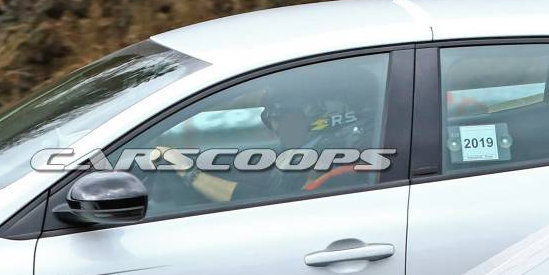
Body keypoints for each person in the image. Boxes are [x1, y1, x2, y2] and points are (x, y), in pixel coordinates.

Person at [154, 64, 384, 207]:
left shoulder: (336, 159)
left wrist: (189, 173)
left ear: (319, 113)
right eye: (268, 118)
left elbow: (259, 203)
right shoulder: (309, 153)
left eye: (280, 116)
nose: (274, 127)